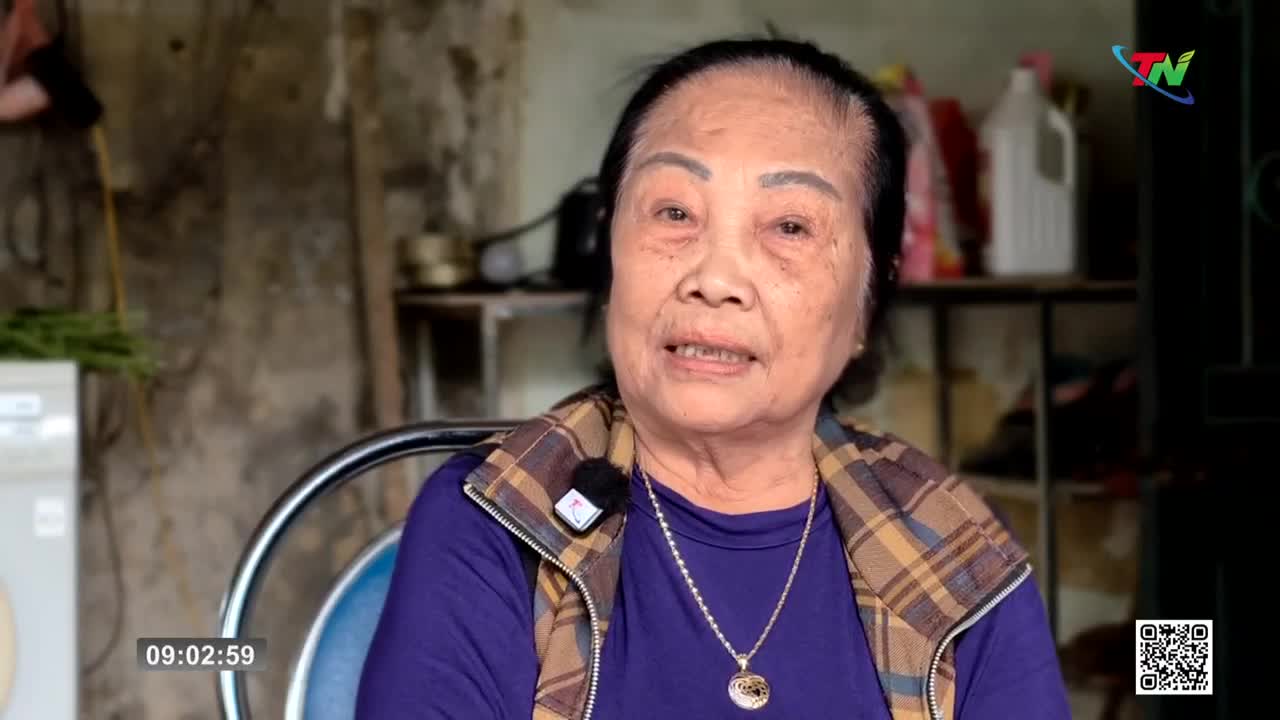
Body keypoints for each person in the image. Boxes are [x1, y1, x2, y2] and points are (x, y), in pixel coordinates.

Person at [356, 37, 1069, 719]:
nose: (715, 279)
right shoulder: (496, 521)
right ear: (611, 256)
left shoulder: (954, 551)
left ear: (866, 301)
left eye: (789, 226)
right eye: (674, 213)